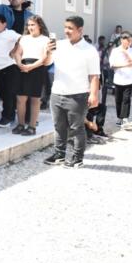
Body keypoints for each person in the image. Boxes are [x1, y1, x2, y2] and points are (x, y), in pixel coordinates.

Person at [43, 16, 100, 169]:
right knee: (59, 126)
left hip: (78, 95)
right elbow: (47, 63)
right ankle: (59, 154)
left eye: (70, 28)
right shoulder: (59, 45)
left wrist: (94, 94)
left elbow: (94, 75)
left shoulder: (89, 50)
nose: (66, 31)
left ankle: (77, 158)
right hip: (57, 93)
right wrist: (48, 52)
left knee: (77, 128)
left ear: (80, 30)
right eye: (65, 27)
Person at [12, 15, 50, 136]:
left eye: (33, 25)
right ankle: (21, 124)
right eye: (28, 25)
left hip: (37, 69)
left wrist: (31, 66)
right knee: (20, 98)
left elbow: (45, 57)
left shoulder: (45, 39)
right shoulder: (24, 38)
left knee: (35, 98)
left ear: (39, 25)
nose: (30, 27)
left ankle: (32, 126)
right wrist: (19, 64)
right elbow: (17, 53)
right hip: (23, 67)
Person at [0, 14, 20, 127]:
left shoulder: (10, 33)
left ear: (4, 24)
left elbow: (22, 39)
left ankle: (8, 118)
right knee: (2, 94)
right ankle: (9, 115)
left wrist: (14, 50)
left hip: (9, 67)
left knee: (8, 94)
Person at [109, 32, 132, 129]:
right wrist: (124, 65)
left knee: (126, 99)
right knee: (118, 99)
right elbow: (112, 65)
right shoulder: (115, 51)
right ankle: (119, 117)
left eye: (131, 41)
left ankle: (125, 119)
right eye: (128, 40)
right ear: (122, 40)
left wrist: (125, 55)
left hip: (129, 79)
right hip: (118, 78)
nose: (129, 43)